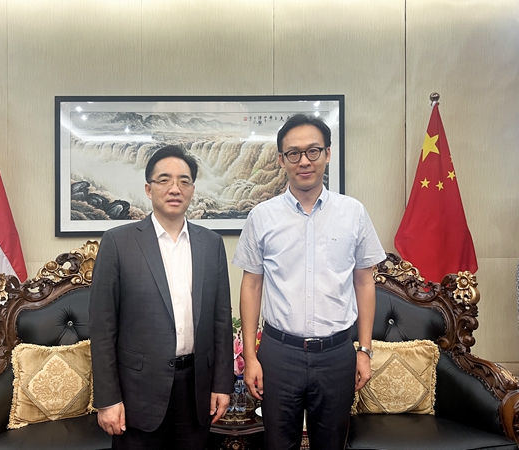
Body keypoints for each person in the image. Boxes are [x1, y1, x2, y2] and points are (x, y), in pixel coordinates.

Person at [233, 114, 386, 450]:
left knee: (332, 444)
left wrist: (364, 350)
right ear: (281, 160)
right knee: (277, 444)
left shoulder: (353, 213)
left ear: (327, 154)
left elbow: (364, 282)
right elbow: (251, 286)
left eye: (313, 151)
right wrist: (251, 357)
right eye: (294, 153)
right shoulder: (262, 217)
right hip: (279, 354)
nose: (304, 161)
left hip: (336, 355)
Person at [89, 145, 233, 450]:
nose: (174, 188)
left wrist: (222, 384)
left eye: (184, 181)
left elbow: (221, 321)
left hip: (196, 390)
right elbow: (103, 328)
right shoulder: (118, 242)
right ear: (148, 189)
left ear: (192, 190)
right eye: (164, 179)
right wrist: (108, 399)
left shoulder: (211, 244)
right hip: (137, 394)